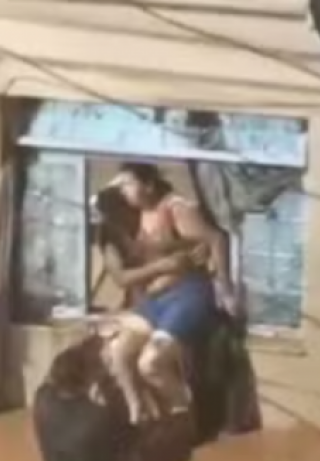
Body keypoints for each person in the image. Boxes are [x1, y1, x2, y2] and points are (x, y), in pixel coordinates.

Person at [95, 162, 234, 424]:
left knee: (151, 363)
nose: (123, 189)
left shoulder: (175, 208)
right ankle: (138, 416)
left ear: (148, 185)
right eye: (121, 185)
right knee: (118, 352)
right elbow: (123, 272)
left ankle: (184, 414)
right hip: (155, 301)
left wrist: (224, 286)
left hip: (186, 295)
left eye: (128, 183)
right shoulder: (136, 215)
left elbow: (216, 239)